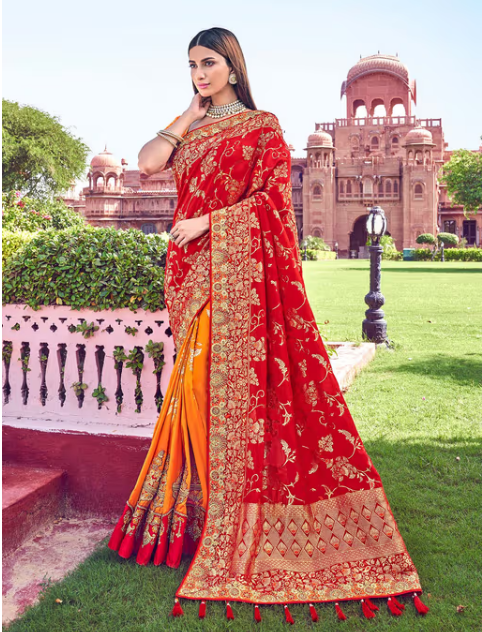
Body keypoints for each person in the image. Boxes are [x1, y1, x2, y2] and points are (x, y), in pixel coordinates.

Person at [108, 27, 430, 623]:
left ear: (233, 64)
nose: (200, 73)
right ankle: (197, 519)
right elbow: (151, 162)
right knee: (195, 397)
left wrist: (209, 223)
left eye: (208, 63)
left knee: (222, 396)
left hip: (233, 270)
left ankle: (227, 523)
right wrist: (188, 111)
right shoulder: (194, 126)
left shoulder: (263, 128)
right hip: (192, 278)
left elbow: (275, 206)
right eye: (191, 66)